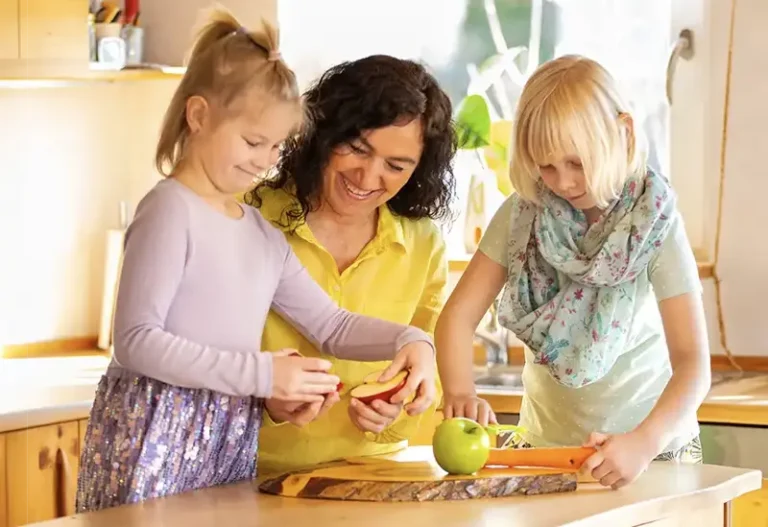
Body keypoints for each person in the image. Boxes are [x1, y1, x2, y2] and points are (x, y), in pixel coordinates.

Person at [75, 10, 437, 513]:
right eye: (252, 141)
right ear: (198, 115)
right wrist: (262, 376)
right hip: (154, 434)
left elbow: (330, 325)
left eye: (275, 146)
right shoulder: (169, 209)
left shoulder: (260, 233)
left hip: (227, 438)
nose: (265, 160)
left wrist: (410, 339)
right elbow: (136, 341)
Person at [435, 55, 711, 489]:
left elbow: (694, 363)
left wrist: (642, 442)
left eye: (576, 163)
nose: (562, 182)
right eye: (546, 165)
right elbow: (457, 318)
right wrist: (460, 392)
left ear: (622, 133)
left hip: (650, 456)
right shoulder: (522, 216)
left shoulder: (654, 222)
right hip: (545, 452)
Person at [245, 54, 457, 474]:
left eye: (396, 166)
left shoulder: (422, 243)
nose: (367, 177)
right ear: (322, 134)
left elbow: (418, 375)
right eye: (357, 149)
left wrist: (392, 414)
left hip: (369, 478)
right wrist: (265, 397)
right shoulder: (247, 217)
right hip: (249, 477)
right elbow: (194, 366)